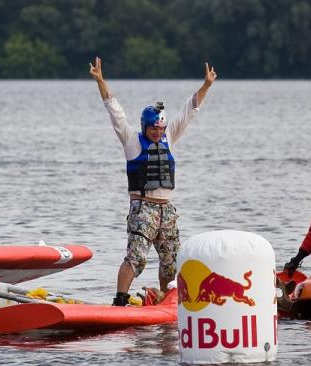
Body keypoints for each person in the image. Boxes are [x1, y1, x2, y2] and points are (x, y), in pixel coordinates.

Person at [89, 56, 217, 306]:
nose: (158, 133)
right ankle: (120, 301)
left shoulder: (169, 136)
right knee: (135, 258)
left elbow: (189, 111)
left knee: (171, 262)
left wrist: (206, 86)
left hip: (166, 210)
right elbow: (114, 110)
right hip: (143, 207)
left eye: (160, 129)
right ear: (145, 127)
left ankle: (165, 300)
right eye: (153, 129)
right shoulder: (131, 141)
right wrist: (100, 80)